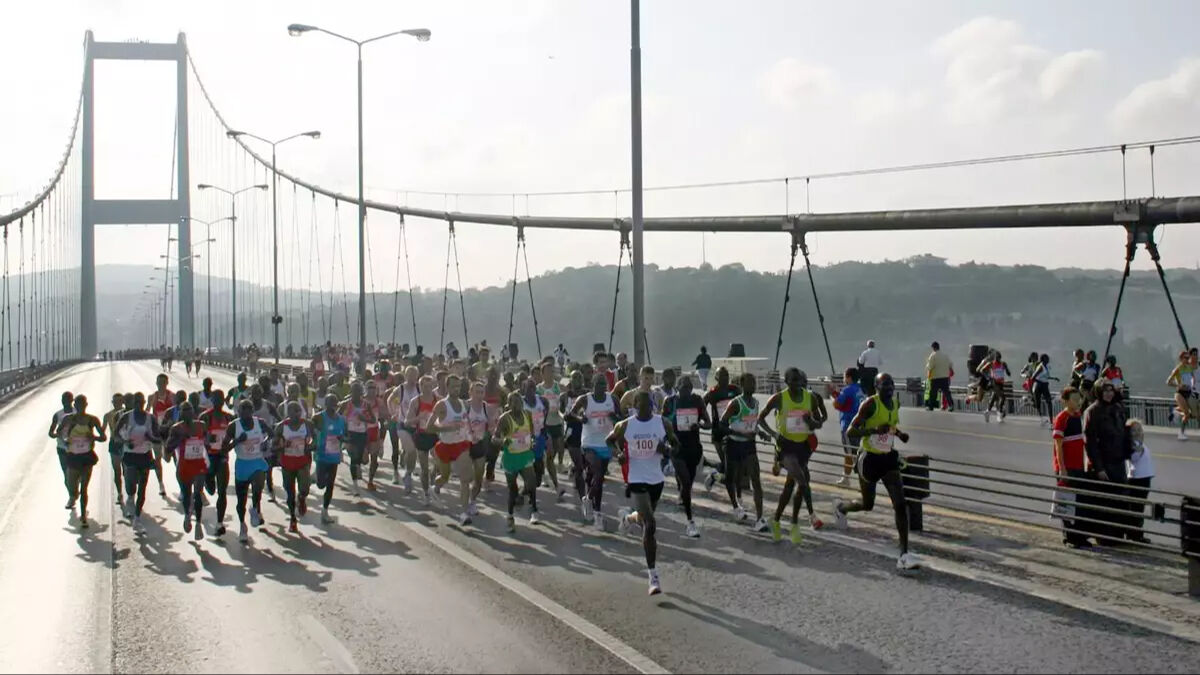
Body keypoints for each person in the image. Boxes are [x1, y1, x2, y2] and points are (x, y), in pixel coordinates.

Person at [833, 373, 921, 570]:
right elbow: (851, 431)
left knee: (900, 504)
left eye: (891, 385)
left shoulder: (895, 404)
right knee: (867, 504)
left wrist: (900, 434)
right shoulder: (870, 405)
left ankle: (904, 554)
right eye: (884, 385)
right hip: (869, 459)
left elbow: (889, 426)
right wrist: (874, 431)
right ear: (876, 387)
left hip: (888, 458)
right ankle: (841, 508)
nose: (889, 388)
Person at [610, 390, 679, 596]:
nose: (647, 408)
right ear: (635, 406)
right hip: (636, 478)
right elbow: (609, 441)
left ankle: (628, 518)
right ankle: (653, 576)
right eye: (643, 404)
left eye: (650, 404)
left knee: (642, 518)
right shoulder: (626, 425)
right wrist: (619, 454)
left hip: (656, 479)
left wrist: (666, 449)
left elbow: (676, 445)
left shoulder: (663, 423)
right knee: (650, 523)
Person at [758, 368, 827, 543]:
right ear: (786, 382)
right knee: (802, 481)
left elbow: (819, 423)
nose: (797, 384)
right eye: (793, 381)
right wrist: (773, 434)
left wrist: (812, 422)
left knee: (790, 487)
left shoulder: (810, 398)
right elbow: (760, 418)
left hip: (802, 447)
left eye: (799, 380)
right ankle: (795, 523)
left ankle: (776, 520)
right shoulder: (779, 398)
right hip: (785, 447)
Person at [719, 372, 771, 532]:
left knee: (756, 479)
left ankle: (760, 519)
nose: (753, 386)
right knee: (731, 478)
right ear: (742, 385)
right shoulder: (735, 403)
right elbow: (722, 424)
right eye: (749, 383)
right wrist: (740, 434)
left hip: (749, 446)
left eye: (754, 382)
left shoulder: (755, 403)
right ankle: (736, 507)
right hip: (733, 444)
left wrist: (760, 433)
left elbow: (752, 422)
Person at [662, 374, 710, 538]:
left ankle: (682, 491)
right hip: (677, 448)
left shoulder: (697, 400)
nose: (686, 392)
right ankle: (690, 522)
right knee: (687, 482)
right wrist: (667, 441)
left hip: (694, 448)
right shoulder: (670, 402)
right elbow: (662, 422)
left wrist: (700, 425)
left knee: (687, 483)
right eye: (683, 389)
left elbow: (708, 423)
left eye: (689, 388)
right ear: (677, 388)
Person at [570, 373, 618, 530]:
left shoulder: (612, 399)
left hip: (606, 443)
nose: (602, 388)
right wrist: (580, 418)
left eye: (604, 385)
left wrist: (615, 417)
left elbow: (622, 419)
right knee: (597, 472)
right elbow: (570, 413)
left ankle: (596, 511)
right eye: (599, 384)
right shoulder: (585, 399)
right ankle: (589, 500)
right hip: (589, 443)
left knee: (599, 479)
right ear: (593, 385)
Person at [1083, 381, 1129, 544]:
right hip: (1104, 463)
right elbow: (1090, 443)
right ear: (1098, 392)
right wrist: (1099, 467)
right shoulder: (1092, 411)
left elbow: (1124, 433)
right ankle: (1105, 537)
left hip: (1119, 462)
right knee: (1105, 501)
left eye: (1111, 390)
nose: (1109, 394)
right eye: (1105, 391)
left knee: (1120, 499)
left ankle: (1118, 535)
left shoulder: (1118, 408)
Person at [222, 399, 273, 544]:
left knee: (259, 484)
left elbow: (271, 433)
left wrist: (266, 441)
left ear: (252, 411)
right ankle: (242, 526)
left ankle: (255, 508)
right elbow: (224, 449)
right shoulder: (233, 426)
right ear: (238, 412)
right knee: (241, 500)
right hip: (242, 464)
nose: (245, 414)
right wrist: (237, 441)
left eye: (248, 410)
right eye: (242, 411)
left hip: (257, 461)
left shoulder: (260, 423)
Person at [430, 374, 476, 525]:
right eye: (453, 386)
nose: (456, 389)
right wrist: (448, 428)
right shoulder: (441, 405)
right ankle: (434, 487)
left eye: (458, 386)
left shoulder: (464, 404)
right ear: (447, 387)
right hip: (445, 446)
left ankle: (464, 513)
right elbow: (429, 427)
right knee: (445, 477)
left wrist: (471, 434)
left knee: (465, 479)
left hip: (461, 445)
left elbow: (466, 422)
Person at [1051, 386, 1092, 549]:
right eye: (1074, 400)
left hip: (1078, 466)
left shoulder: (1077, 415)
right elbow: (1058, 446)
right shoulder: (1062, 418)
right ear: (1065, 401)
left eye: (1079, 399)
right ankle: (1069, 537)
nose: (1078, 402)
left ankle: (1079, 536)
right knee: (1067, 502)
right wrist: (1062, 468)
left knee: (1079, 502)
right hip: (1067, 467)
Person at [116, 392, 161, 533]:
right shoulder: (126, 417)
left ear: (144, 403)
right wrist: (125, 442)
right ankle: (130, 496)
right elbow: (115, 435)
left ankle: (137, 518)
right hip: (130, 455)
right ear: (133, 403)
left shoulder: (150, 418)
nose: (138, 405)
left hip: (145, 455)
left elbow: (158, 438)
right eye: (136, 402)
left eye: (141, 402)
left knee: (142, 487)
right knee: (131, 485)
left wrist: (150, 438)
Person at [496, 390, 541, 532]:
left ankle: (534, 510)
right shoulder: (504, 418)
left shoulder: (527, 414)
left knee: (531, 483)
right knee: (512, 490)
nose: (517, 405)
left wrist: (532, 441)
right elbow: (494, 438)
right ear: (509, 404)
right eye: (514, 402)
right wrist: (502, 441)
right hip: (511, 458)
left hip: (525, 455)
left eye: (519, 402)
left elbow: (531, 433)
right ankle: (510, 516)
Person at [164, 402, 208, 540]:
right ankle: (188, 515)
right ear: (181, 413)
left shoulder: (201, 425)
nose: (187, 412)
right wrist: (179, 439)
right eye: (184, 410)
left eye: (189, 409)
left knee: (198, 493)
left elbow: (207, 440)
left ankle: (198, 523)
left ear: (193, 411)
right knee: (187, 494)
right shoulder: (176, 428)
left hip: (199, 463)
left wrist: (209, 441)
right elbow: (168, 447)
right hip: (184, 465)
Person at [61, 395, 106, 528]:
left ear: (86, 405)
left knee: (84, 488)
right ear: (75, 406)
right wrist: (65, 440)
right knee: (72, 486)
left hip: (87, 456)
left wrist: (93, 437)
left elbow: (103, 437)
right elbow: (58, 433)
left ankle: (83, 516)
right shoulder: (68, 419)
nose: (81, 407)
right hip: (72, 456)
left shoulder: (92, 420)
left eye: (83, 404)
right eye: (78, 405)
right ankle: (73, 496)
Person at [274, 401, 316, 533]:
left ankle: (302, 498)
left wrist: (310, 446)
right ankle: (293, 518)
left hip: (303, 462)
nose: (297, 414)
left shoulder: (307, 424)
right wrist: (282, 446)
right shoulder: (281, 427)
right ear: (288, 413)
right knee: (290, 493)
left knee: (304, 489)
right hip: (287, 464)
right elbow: (273, 446)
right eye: (294, 411)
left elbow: (316, 439)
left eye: (299, 411)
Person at [198, 390, 233, 536]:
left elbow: (234, 435)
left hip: (222, 456)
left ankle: (219, 523)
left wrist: (229, 445)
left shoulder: (228, 417)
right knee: (211, 489)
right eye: (216, 399)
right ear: (212, 400)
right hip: (208, 457)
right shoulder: (205, 417)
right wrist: (207, 440)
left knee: (222, 491)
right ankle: (208, 482)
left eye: (221, 399)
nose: (219, 402)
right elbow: (197, 436)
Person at [702, 367, 741, 493]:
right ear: (716, 378)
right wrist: (705, 421)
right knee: (726, 463)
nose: (725, 378)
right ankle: (715, 475)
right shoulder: (712, 393)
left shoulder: (735, 390)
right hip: (718, 432)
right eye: (722, 376)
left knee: (731, 465)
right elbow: (701, 407)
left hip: (733, 430)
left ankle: (714, 475)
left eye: (727, 375)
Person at [537, 362, 569, 500]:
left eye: (552, 371)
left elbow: (567, 398)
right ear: (542, 373)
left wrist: (564, 409)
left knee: (558, 448)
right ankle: (552, 481)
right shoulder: (539, 389)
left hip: (557, 422)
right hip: (545, 424)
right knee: (549, 453)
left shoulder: (558, 386)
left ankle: (547, 469)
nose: (550, 373)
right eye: (547, 371)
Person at [465, 380, 496, 516]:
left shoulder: (486, 407)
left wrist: (493, 432)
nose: (479, 395)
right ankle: (465, 500)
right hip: (466, 444)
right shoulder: (465, 406)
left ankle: (472, 501)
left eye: (481, 392)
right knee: (467, 477)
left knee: (478, 478)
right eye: (476, 392)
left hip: (480, 444)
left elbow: (492, 426)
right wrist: (470, 434)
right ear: (470, 392)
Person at [313, 394, 346, 524]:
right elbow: (310, 430)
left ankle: (325, 511)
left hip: (334, 456)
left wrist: (343, 439)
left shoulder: (342, 420)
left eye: (334, 402)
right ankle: (315, 478)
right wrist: (313, 442)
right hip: (321, 456)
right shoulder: (319, 417)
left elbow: (346, 435)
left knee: (330, 485)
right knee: (321, 485)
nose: (332, 405)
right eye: (330, 402)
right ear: (325, 404)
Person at [406, 375, 439, 505]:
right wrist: (419, 418)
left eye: (430, 386)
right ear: (420, 387)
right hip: (421, 436)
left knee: (440, 463)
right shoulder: (415, 402)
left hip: (435, 435)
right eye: (425, 386)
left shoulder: (438, 401)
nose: (428, 389)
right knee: (424, 469)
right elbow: (407, 422)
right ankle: (426, 493)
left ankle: (434, 475)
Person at [339, 382, 373, 497]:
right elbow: (337, 416)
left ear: (361, 392)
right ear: (351, 392)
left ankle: (358, 466)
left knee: (361, 459)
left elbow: (373, 420)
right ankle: (355, 486)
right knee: (353, 458)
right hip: (350, 434)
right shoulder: (346, 404)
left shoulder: (366, 405)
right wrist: (342, 426)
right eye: (354, 391)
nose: (356, 394)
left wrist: (364, 419)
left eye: (358, 391)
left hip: (362, 434)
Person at [832, 367, 865, 486]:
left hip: (848, 425)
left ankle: (860, 479)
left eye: (844, 376)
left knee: (850, 454)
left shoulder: (847, 390)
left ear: (849, 378)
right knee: (853, 452)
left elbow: (837, 404)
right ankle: (849, 477)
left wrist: (835, 395)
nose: (843, 379)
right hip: (859, 425)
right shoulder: (860, 389)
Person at [1124, 419, 1154, 545]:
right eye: (1134, 430)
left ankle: (1136, 533)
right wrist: (1139, 448)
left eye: (1139, 429)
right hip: (1137, 479)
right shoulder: (1132, 445)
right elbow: (1134, 458)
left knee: (1139, 508)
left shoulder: (1140, 443)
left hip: (1145, 478)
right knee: (1136, 508)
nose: (1137, 432)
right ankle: (1135, 535)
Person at [145, 373, 174, 497]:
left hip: (170, 432)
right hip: (157, 432)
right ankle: (161, 484)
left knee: (169, 459)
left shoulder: (172, 396)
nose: (161, 384)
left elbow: (175, 412)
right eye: (159, 382)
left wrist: (169, 424)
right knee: (157, 460)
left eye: (163, 382)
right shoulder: (152, 397)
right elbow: (147, 411)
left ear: (167, 383)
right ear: (156, 383)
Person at [48, 391, 75, 506]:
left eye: (68, 400)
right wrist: (57, 435)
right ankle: (71, 496)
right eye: (64, 400)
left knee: (75, 473)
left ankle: (74, 490)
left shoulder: (77, 413)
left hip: (76, 448)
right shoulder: (58, 415)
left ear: (72, 401)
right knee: (66, 473)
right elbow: (51, 432)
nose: (65, 402)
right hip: (62, 447)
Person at [102, 393, 127, 511]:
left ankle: (129, 491)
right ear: (112, 402)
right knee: (117, 470)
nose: (117, 403)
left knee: (127, 470)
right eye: (115, 401)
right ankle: (120, 493)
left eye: (119, 401)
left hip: (125, 443)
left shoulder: (127, 414)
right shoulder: (107, 415)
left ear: (123, 402)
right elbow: (102, 430)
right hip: (114, 443)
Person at [1167, 350, 1197, 440]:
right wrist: (1178, 385)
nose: (1187, 359)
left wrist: (1193, 384)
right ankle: (1181, 433)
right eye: (1186, 358)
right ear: (1181, 359)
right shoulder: (1177, 369)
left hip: (1189, 392)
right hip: (1180, 393)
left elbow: (1193, 377)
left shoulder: (1189, 368)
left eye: (1188, 358)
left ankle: (1175, 411)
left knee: (1194, 414)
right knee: (1186, 414)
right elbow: (1168, 382)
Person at [978, 351, 1011, 423]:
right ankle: (1000, 414)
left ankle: (987, 412)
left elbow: (1008, 372)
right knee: (1003, 397)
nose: (997, 359)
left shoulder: (1003, 364)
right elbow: (982, 370)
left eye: (998, 358)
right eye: (996, 358)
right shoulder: (991, 364)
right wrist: (988, 377)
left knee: (994, 398)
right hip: (994, 383)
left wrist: (1007, 370)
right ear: (994, 358)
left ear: (1000, 358)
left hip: (1001, 384)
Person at [924, 342, 953, 411]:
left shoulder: (933, 355)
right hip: (945, 377)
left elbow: (930, 366)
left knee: (933, 393)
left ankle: (931, 406)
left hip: (935, 378)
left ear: (933, 348)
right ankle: (951, 405)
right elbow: (950, 364)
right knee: (946, 393)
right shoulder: (945, 355)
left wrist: (927, 365)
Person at [1031, 354, 1058, 427]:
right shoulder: (1040, 367)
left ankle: (1051, 421)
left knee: (1049, 402)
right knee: (1038, 403)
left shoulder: (1047, 367)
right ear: (1043, 359)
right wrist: (1040, 382)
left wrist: (1054, 378)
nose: (1048, 359)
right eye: (1047, 358)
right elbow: (1033, 377)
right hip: (1038, 386)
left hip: (1045, 385)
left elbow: (1046, 376)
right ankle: (1042, 418)